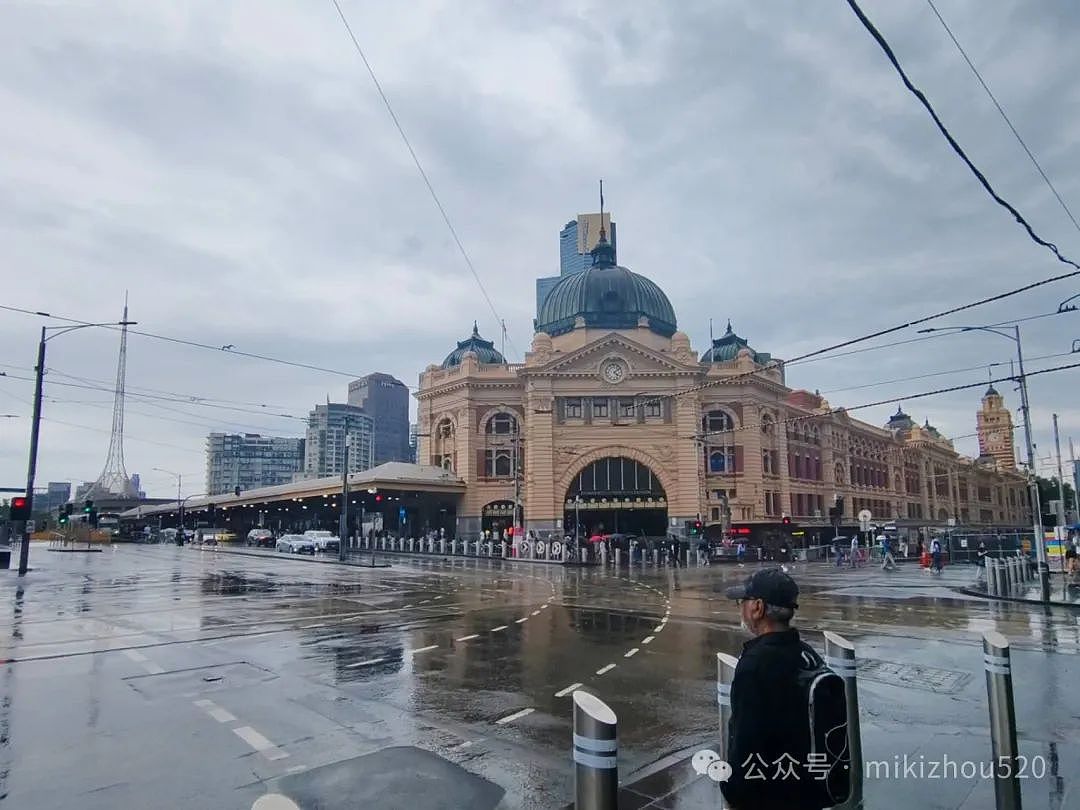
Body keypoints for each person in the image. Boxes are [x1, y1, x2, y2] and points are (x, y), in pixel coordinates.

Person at [722, 568, 832, 810]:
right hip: (809, 789)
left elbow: (746, 743)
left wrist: (732, 792)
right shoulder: (806, 653)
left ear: (758, 607)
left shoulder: (755, 665)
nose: (740, 608)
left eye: (743, 602)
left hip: (772, 796)